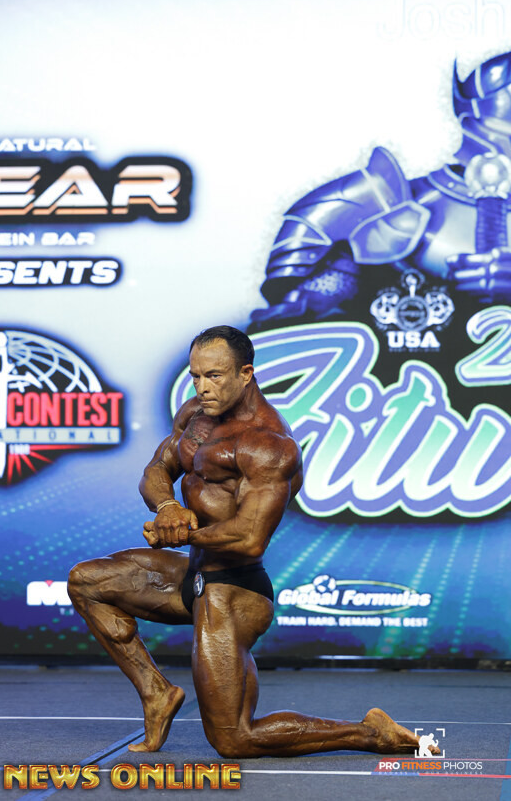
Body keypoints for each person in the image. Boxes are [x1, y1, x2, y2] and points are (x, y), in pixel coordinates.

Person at [68, 325, 437, 758]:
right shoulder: (195, 416)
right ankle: (156, 693)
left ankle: (370, 732)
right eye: (196, 376)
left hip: (234, 591)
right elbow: (157, 469)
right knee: (86, 582)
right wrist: (167, 507)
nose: (202, 387)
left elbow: (249, 539)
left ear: (246, 374)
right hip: (193, 575)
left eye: (214, 376)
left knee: (233, 738)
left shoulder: (269, 445)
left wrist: (183, 533)